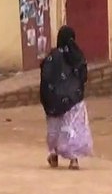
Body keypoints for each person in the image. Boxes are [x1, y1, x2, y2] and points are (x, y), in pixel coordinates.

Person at [40, 25, 93, 170]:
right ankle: (74, 159)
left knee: (54, 128)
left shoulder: (52, 57)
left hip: (55, 101)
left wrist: (49, 96)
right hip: (74, 100)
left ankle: (54, 155)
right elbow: (83, 76)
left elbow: (46, 77)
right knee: (72, 127)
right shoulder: (77, 56)